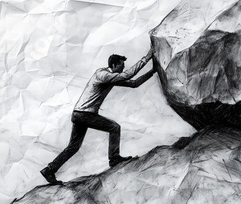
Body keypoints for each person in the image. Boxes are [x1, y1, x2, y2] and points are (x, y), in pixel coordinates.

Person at [40, 48, 156, 184]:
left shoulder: (110, 78)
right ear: (114, 65)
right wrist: (147, 57)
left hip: (79, 114)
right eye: (121, 65)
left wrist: (153, 71)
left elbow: (134, 84)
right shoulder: (102, 74)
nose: (123, 68)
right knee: (114, 127)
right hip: (84, 114)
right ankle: (114, 159)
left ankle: (49, 170)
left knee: (73, 147)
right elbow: (126, 76)